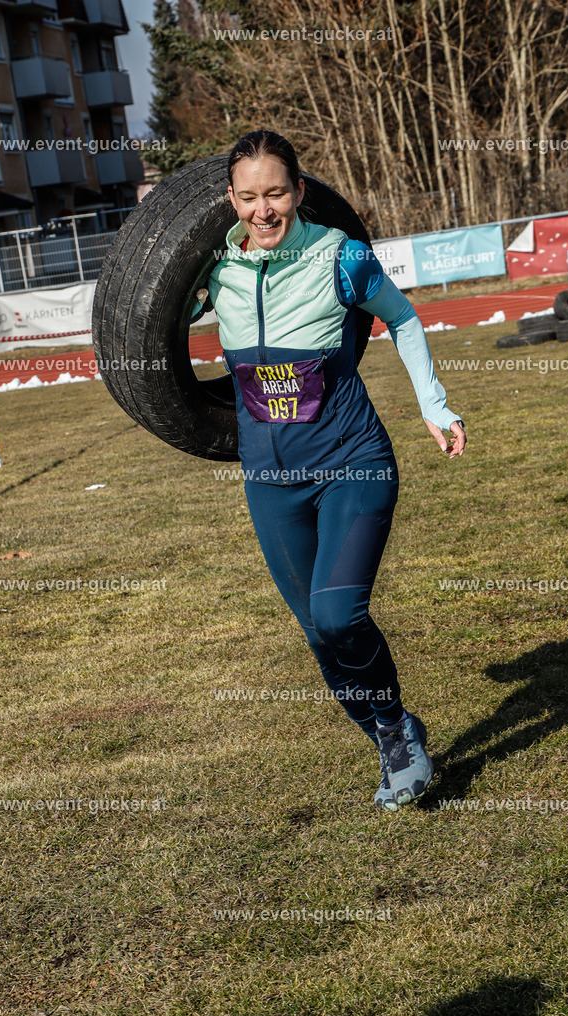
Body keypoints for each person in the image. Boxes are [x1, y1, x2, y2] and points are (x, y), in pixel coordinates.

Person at [193, 129, 466, 811]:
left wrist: (433, 405)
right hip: (270, 480)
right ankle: (387, 735)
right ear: (231, 199)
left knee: (339, 614)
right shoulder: (215, 269)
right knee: (318, 634)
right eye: (248, 197)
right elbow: (143, 312)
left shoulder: (341, 258)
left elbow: (403, 320)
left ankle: (395, 728)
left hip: (352, 463)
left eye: (276, 193)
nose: (263, 210)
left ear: (299, 191)